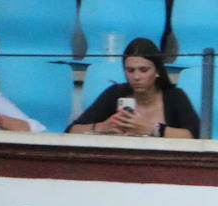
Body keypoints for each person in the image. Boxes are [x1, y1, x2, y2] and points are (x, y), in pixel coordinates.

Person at [67, 37, 200, 139]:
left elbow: (194, 135)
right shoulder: (114, 94)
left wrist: (152, 129)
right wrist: (101, 127)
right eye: (130, 70)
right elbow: (72, 130)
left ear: (157, 71)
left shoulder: (174, 97)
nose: (136, 77)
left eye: (144, 70)